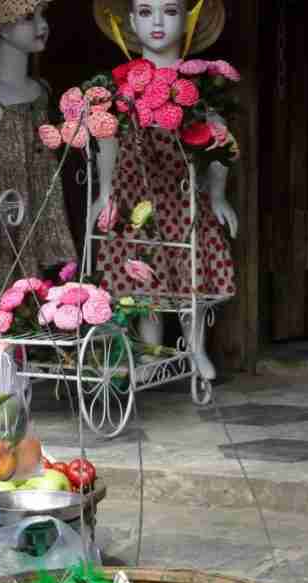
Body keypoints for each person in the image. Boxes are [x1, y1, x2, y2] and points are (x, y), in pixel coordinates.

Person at [90, 0, 235, 350]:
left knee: (191, 273)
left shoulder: (197, 86)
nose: (157, 22)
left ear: (187, 20)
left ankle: (196, 350)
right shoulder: (119, 86)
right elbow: (105, 136)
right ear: (131, 22)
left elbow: (218, 136)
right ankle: (151, 351)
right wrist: (105, 191)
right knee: (142, 276)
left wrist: (218, 196)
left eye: (169, 11)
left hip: (180, 195)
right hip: (134, 195)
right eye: (145, 12)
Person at [0, 0, 76, 311]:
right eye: (28, 17)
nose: (42, 25)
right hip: (6, 216)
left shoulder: (41, 92)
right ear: (2, 28)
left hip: (39, 212)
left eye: (42, 15)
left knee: (41, 300)